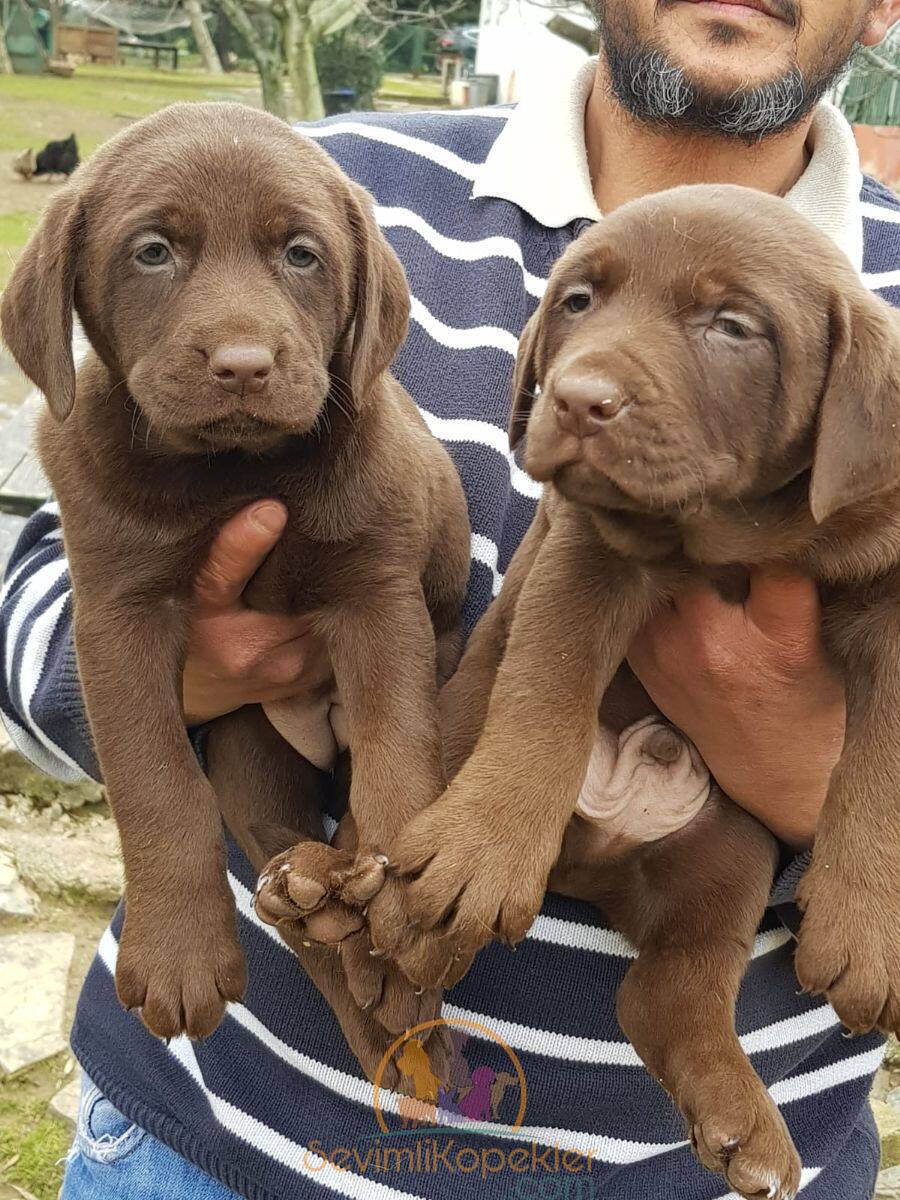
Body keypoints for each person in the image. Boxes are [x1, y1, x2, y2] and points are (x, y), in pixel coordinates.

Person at [2, 1, 899, 1196]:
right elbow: (33, 599)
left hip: (686, 1163)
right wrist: (188, 663)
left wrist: (814, 785)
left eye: (731, 326)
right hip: (229, 1146)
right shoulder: (322, 180)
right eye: (574, 311)